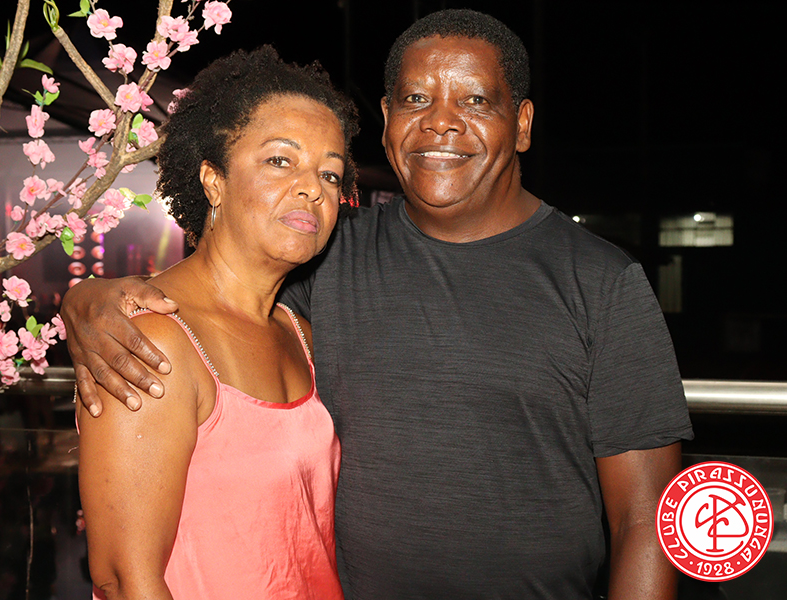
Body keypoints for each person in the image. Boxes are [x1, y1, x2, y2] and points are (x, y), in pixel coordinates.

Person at [63, 10, 693, 600]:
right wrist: (87, 300)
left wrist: (82, 301)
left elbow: (647, 519)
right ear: (388, 118)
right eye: (416, 99)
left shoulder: (602, 282)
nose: (441, 122)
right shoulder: (327, 256)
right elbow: (215, 299)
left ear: (522, 123)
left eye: (475, 100)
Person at [75, 47, 357, 600]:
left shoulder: (298, 334)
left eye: (329, 172)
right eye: (280, 160)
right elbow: (125, 580)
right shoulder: (154, 337)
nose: (312, 187)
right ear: (213, 180)